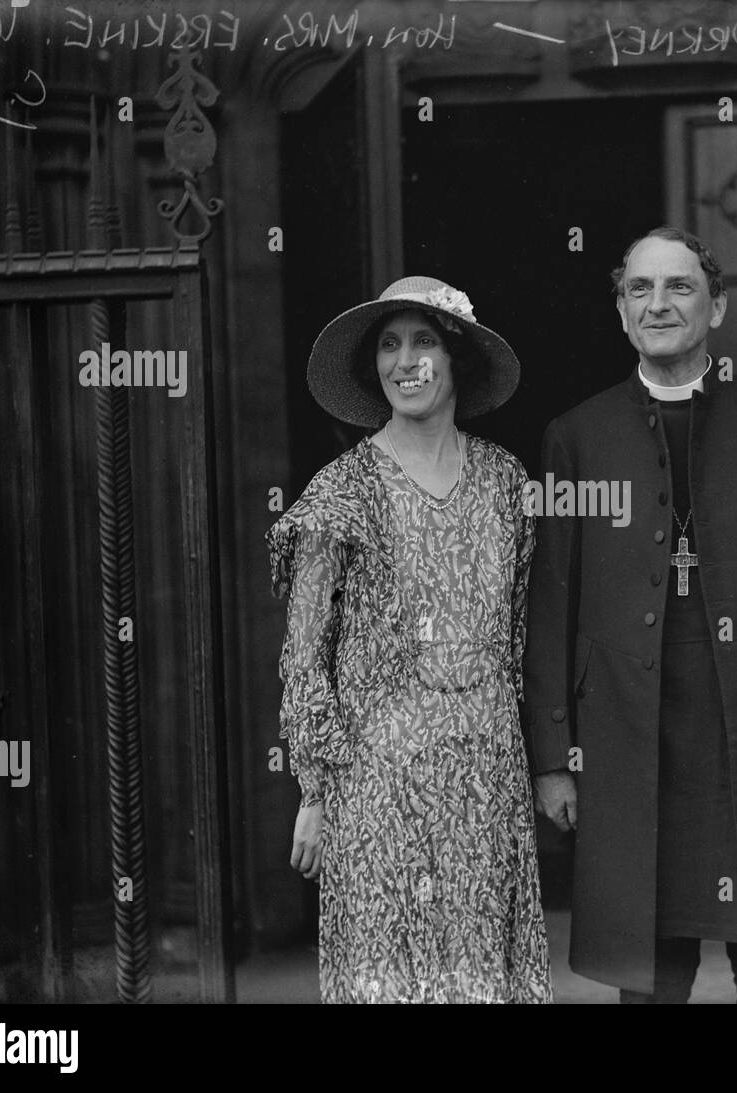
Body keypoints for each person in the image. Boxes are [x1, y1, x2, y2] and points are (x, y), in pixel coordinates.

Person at [523, 227, 737, 1004]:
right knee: (649, 968)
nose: (659, 303)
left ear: (717, 306)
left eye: (679, 286)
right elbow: (552, 603)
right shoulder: (577, 436)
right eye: (639, 289)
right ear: (620, 312)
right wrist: (551, 754)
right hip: (631, 733)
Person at [268, 276, 552, 1004]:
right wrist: (315, 791)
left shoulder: (506, 482)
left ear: (457, 359)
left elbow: (516, 640)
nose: (406, 361)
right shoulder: (342, 492)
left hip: (483, 785)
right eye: (389, 345)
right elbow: (305, 656)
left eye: (424, 341)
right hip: (379, 787)